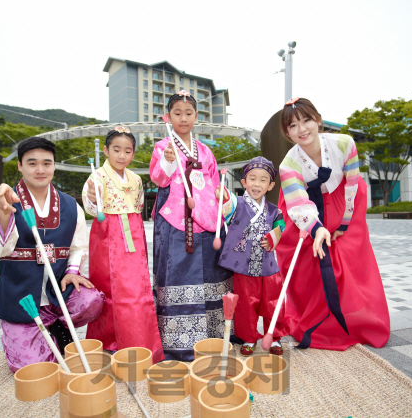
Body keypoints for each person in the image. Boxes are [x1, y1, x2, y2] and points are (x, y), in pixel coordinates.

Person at [0, 137, 105, 372]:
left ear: (54, 166)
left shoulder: (70, 205)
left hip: (57, 291)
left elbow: (78, 246)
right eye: (32, 163)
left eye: (47, 163)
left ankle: (58, 325)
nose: (40, 170)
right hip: (22, 296)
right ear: (19, 165)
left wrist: (72, 271)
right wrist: (2, 212)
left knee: (92, 300)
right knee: (33, 368)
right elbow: (1, 248)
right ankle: (33, 333)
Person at [276, 97, 390, 350]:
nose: (302, 129)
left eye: (306, 120)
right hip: (303, 206)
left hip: (344, 201)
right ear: (287, 132)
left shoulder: (344, 143)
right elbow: (298, 204)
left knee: (348, 258)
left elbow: (352, 185)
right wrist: (317, 230)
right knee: (305, 261)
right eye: (293, 126)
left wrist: (344, 224)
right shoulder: (288, 164)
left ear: (318, 120)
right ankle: (316, 319)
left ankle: (357, 320)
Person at [149, 90, 233, 361]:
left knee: (210, 272)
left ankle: (212, 339)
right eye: (177, 113)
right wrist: (169, 160)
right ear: (167, 117)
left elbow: (214, 184)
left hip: (207, 220)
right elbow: (159, 178)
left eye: (188, 113)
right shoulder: (164, 146)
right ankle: (179, 343)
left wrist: (223, 197)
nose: (183, 118)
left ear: (196, 116)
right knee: (177, 272)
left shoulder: (205, 150)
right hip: (175, 220)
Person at [82, 127, 164, 362]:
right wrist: (92, 197)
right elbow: (90, 206)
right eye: (116, 150)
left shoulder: (136, 179)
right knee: (107, 286)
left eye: (127, 151)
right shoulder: (96, 177)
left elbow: (137, 206)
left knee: (136, 288)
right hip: (107, 233)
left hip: (134, 233)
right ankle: (109, 340)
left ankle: (137, 339)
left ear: (133, 153)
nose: (121, 155)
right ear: (106, 150)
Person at [216, 157, 290, 356]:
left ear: (271, 185)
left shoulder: (274, 210)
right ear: (244, 182)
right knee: (246, 304)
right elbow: (226, 201)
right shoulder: (237, 204)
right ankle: (248, 337)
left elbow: (281, 227)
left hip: (268, 265)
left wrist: (273, 237)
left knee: (273, 302)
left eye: (263, 180)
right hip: (244, 265)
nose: (257, 184)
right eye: (252, 179)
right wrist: (221, 194)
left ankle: (273, 337)